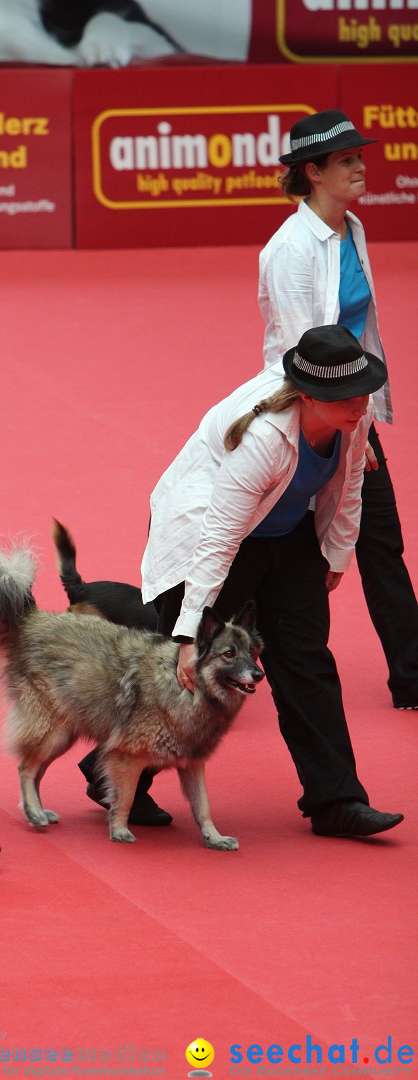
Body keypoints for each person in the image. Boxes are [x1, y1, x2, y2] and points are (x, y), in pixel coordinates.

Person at [139, 324, 403, 839]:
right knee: (190, 676)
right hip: (209, 538)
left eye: (362, 394)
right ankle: (113, 778)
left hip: (286, 533)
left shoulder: (355, 415)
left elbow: (349, 489)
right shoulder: (264, 439)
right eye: (344, 398)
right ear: (308, 397)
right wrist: (189, 634)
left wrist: (336, 556)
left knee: (306, 660)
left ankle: (337, 800)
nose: (359, 406)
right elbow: (219, 537)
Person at [259, 108, 418, 711]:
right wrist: (350, 434)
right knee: (266, 553)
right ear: (314, 171)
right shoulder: (289, 250)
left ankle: (411, 676)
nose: (361, 166)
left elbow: (362, 334)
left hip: (352, 412)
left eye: (359, 156)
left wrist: (366, 416)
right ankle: (213, 654)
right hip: (301, 421)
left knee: (382, 543)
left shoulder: (353, 228)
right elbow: (305, 355)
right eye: (348, 159)